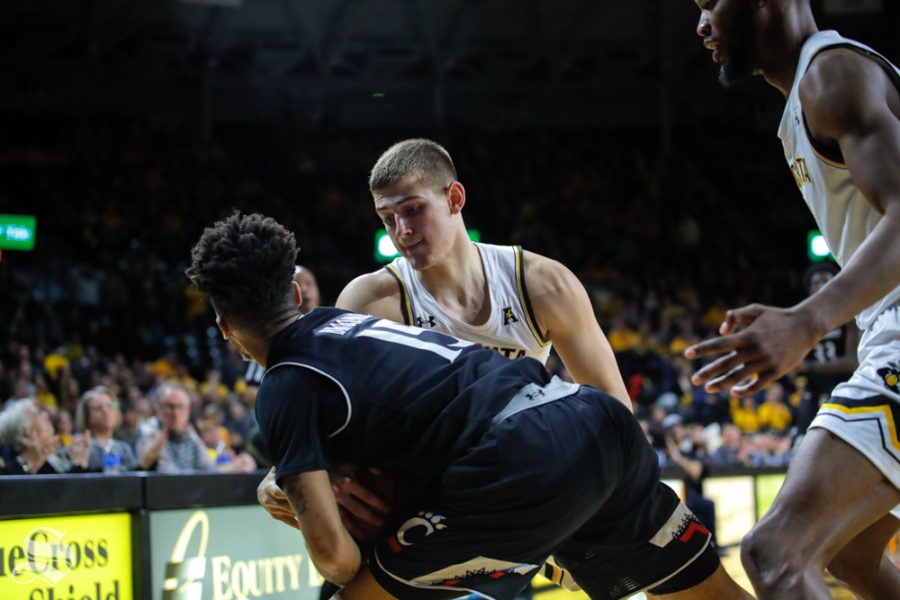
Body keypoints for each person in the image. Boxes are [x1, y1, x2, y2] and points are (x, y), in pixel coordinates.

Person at [186, 211, 753, 600]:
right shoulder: (351, 321)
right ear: (296, 294)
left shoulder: (285, 385)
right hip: (596, 419)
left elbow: (334, 557)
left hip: (520, 460)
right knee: (703, 588)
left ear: (222, 325)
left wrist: (380, 552)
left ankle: (502, 568)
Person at [259, 138, 631, 595]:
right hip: (421, 505)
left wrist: (589, 524)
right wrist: (282, 476)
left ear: (454, 198)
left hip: (514, 489)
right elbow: (323, 420)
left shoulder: (540, 282)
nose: (401, 231)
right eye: (387, 218)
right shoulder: (371, 299)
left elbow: (614, 412)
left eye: (413, 210)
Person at [687, 2, 900, 598]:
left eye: (709, 3)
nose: (701, 26)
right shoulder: (813, 90)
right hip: (889, 326)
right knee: (854, 553)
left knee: (774, 553)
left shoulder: (830, 75)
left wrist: (807, 320)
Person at [245, 265, 320, 385]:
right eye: (299, 284)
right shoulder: (275, 337)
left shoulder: (333, 324)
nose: (304, 289)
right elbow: (251, 390)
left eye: (309, 283)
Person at [0, 398, 92, 474]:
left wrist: (80, 464)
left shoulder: (54, 455)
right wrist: (27, 461)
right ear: (27, 431)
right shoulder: (16, 462)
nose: (46, 415)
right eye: (37, 413)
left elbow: (66, 489)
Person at [75, 386, 138, 472]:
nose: (105, 411)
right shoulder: (81, 449)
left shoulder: (124, 449)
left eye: (109, 406)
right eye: (98, 408)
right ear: (87, 416)